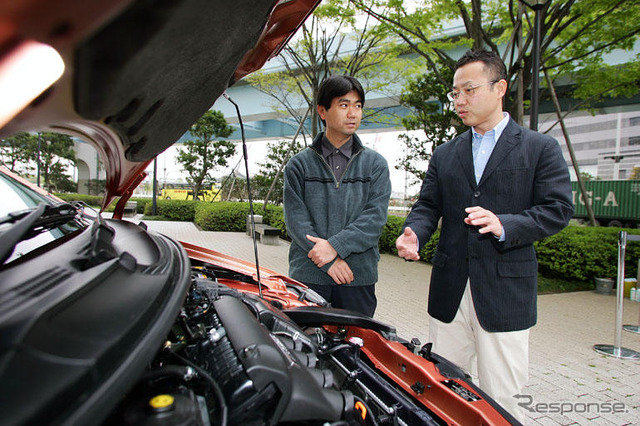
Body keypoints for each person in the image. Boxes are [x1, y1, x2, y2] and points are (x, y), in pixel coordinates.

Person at [395, 50, 574, 421]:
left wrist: (506, 224)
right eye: (455, 93)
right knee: (442, 388)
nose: (459, 101)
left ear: (500, 88)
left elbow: (557, 209)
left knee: (501, 399)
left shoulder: (539, 148)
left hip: (505, 293)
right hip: (450, 289)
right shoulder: (445, 153)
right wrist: (415, 232)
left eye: (469, 90)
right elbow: (428, 205)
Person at [283, 75, 391, 317]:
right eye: (344, 105)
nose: (352, 113)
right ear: (322, 111)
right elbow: (296, 222)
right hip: (309, 276)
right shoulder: (299, 165)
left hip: (357, 277)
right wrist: (329, 261)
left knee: (354, 347)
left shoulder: (375, 165)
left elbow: (374, 220)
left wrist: (334, 247)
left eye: (358, 105)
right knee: (304, 346)